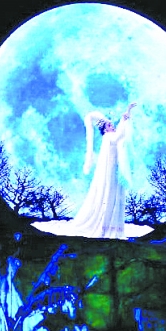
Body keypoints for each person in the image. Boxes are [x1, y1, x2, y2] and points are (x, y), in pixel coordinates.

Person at [70, 102, 137, 239]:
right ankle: (107, 226)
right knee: (110, 195)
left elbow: (121, 135)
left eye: (111, 125)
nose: (112, 126)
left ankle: (114, 227)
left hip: (114, 171)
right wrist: (125, 116)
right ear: (105, 130)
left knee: (115, 195)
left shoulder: (110, 137)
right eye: (109, 125)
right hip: (110, 172)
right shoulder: (108, 137)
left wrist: (126, 115)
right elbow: (119, 135)